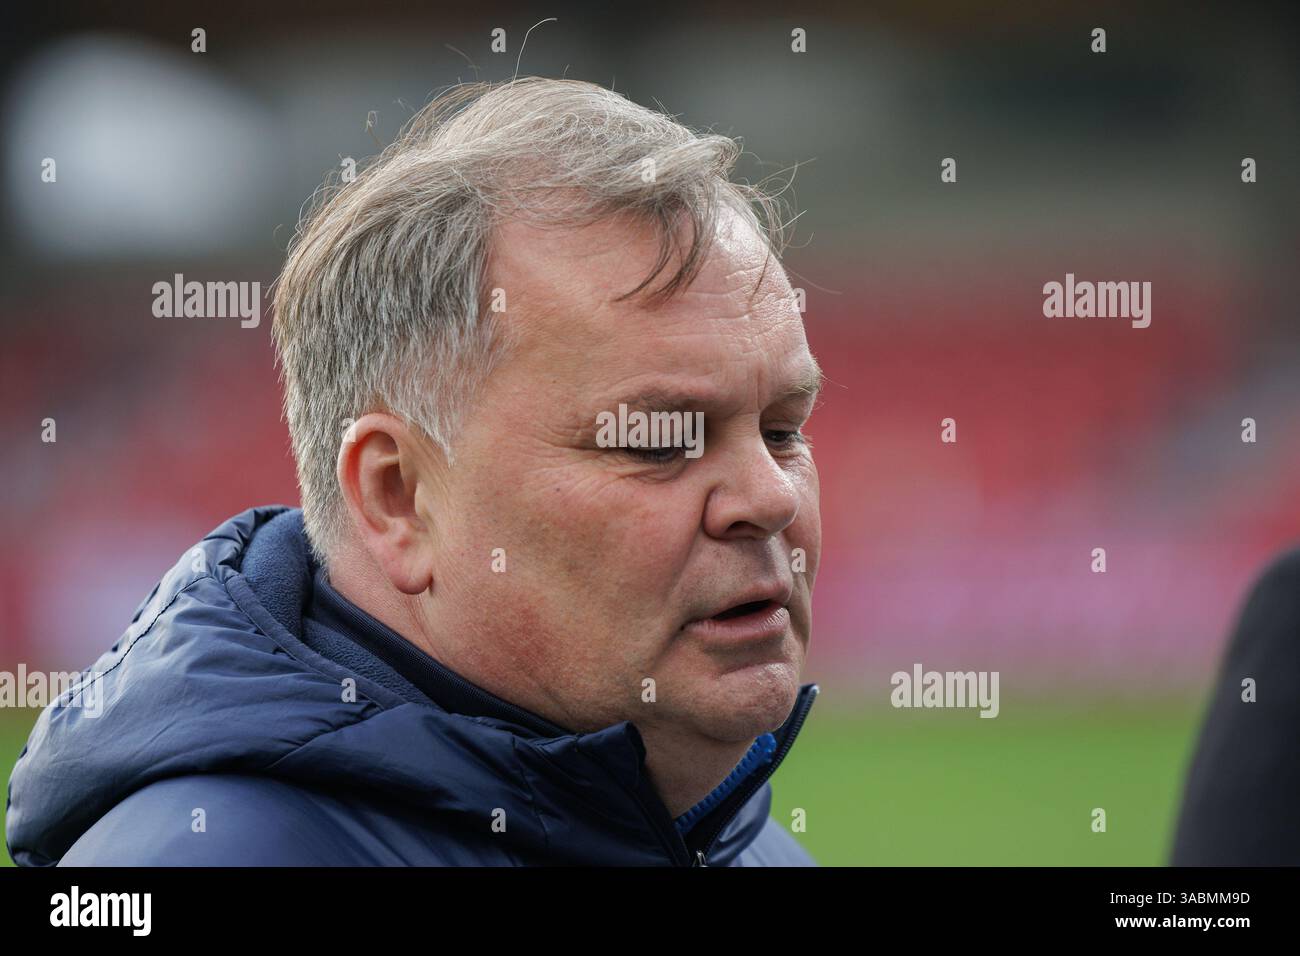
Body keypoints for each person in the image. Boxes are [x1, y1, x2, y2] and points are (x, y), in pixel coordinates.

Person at [6, 77, 824, 866]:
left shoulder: (738, 841)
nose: (769, 496)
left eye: (784, 430)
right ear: (397, 497)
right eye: (656, 441)